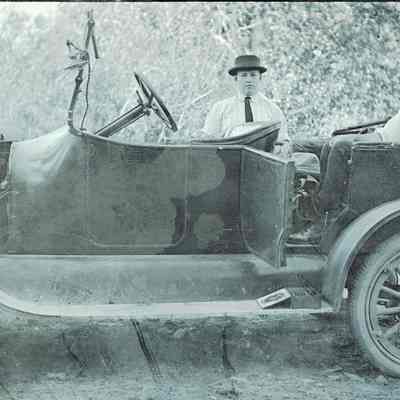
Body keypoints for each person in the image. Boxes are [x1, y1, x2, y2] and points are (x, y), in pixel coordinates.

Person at [291, 109, 400, 243]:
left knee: (340, 147)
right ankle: (322, 211)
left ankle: (327, 215)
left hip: (390, 145)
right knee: (330, 144)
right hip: (383, 134)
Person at [203, 54, 292, 156]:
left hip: (262, 162)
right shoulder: (220, 108)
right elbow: (207, 142)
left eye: (253, 75)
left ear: (260, 77)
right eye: (244, 75)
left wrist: (281, 149)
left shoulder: (273, 110)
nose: (248, 80)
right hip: (227, 161)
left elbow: (284, 143)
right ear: (236, 78)